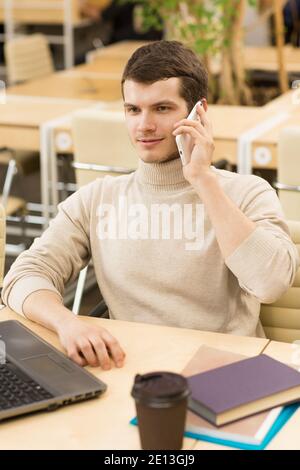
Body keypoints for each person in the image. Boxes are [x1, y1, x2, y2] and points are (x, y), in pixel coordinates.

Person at [2, 41, 298, 370]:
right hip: (131, 369)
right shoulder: (97, 198)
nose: (143, 125)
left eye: (161, 109)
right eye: (133, 110)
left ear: (198, 112)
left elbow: (271, 283)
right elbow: (23, 276)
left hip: (224, 373)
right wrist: (68, 323)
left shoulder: (246, 193)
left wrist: (201, 178)